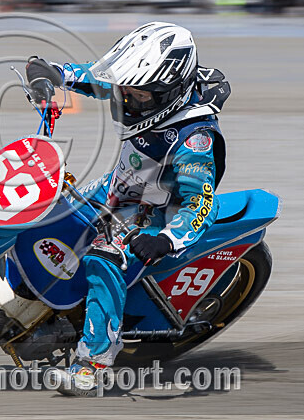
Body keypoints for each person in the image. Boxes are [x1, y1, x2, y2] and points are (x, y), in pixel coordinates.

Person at [25, 22, 230, 396]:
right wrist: (55, 73)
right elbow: (100, 79)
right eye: (126, 93)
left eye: (139, 97)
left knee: (104, 259)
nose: (127, 101)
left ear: (171, 91)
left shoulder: (195, 139)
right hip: (118, 188)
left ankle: (92, 364)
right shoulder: (147, 85)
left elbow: (200, 203)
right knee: (44, 206)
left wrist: (166, 240)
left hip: (153, 214)